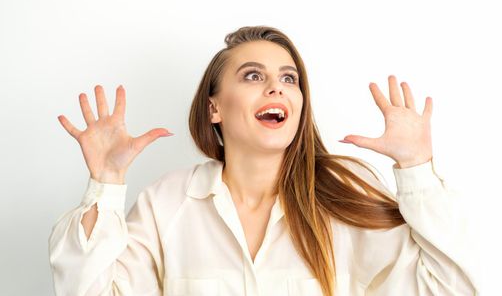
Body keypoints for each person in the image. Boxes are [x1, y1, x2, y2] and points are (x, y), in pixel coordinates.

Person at [48, 26, 479, 296]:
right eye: (253, 76)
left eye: (288, 79)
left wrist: (417, 169)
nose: (276, 88)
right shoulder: (166, 204)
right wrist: (105, 182)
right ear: (214, 107)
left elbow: (453, 289)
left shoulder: (346, 193)